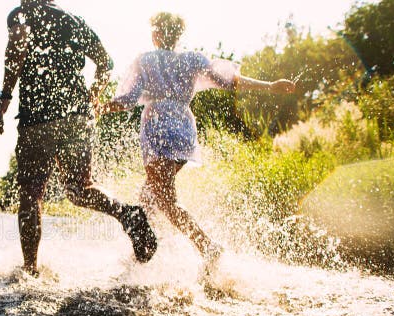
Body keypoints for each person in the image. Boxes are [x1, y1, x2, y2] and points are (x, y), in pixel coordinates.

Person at [99, 12, 296, 268]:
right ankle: (145, 253)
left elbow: (126, 100)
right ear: (178, 35)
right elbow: (231, 82)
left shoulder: (146, 60)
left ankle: (206, 247)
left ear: (155, 34)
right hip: (183, 130)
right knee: (149, 195)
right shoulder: (192, 59)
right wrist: (270, 86)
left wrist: (98, 107)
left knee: (166, 201)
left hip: (159, 130)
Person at [0, 0, 156, 276]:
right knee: (80, 189)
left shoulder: (21, 14)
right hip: (75, 117)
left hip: (38, 119)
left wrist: (4, 99)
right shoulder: (74, 20)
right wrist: (92, 98)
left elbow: (15, 55)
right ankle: (128, 214)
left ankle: (30, 270)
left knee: (31, 194)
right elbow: (106, 62)